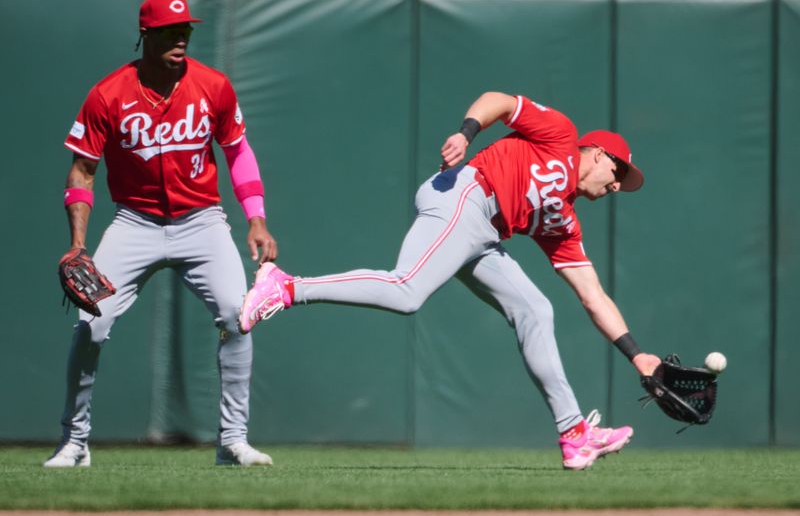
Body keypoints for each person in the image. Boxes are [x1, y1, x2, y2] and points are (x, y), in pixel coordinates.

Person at [238, 91, 662, 470]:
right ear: (599, 154)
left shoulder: (563, 222)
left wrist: (638, 356)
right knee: (406, 291)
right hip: (466, 193)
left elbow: (593, 296)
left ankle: (574, 434)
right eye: (619, 173)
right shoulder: (562, 135)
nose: (617, 186)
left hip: (484, 233)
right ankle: (286, 286)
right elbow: (499, 101)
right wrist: (466, 132)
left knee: (535, 309)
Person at [45, 0, 277, 467]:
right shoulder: (107, 94)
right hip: (135, 222)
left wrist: (256, 217)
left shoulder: (213, 85)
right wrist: (77, 244)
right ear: (146, 35)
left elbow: (238, 151)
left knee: (238, 315)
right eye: (170, 32)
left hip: (203, 220)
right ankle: (74, 442)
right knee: (92, 323)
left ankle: (232, 441)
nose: (181, 39)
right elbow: (82, 172)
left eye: (186, 31)